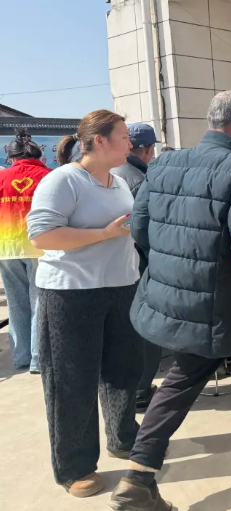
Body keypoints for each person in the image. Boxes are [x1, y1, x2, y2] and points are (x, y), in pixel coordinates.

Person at [109, 91, 231, 511]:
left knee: (191, 380)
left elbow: (140, 229)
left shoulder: (164, 164)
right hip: (227, 306)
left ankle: (140, 476)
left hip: (177, 296)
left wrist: (176, 268)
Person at [27, 110, 143, 498]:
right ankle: (74, 468)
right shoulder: (63, 180)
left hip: (121, 286)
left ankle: (123, 437)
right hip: (71, 293)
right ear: (100, 140)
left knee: (123, 370)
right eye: (123, 136)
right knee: (71, 381)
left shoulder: (118, 182)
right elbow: (41, 236)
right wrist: (104, 234)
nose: (130, 143)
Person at [111, 123, 163, 411]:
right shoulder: (141, 180)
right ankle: (141, 391)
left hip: (114, 266)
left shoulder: (110, 174)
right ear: (149, 149)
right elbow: (144, 230)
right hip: (138, 266)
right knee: (145, 329)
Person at [0, 130, 50, 374]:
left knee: (16, 303)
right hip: (40, 245)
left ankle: (21, 355)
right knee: (39, 301)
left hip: (6, 245)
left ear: (11, 158)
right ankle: (38, 358)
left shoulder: (2, 177)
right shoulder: (48, 176)